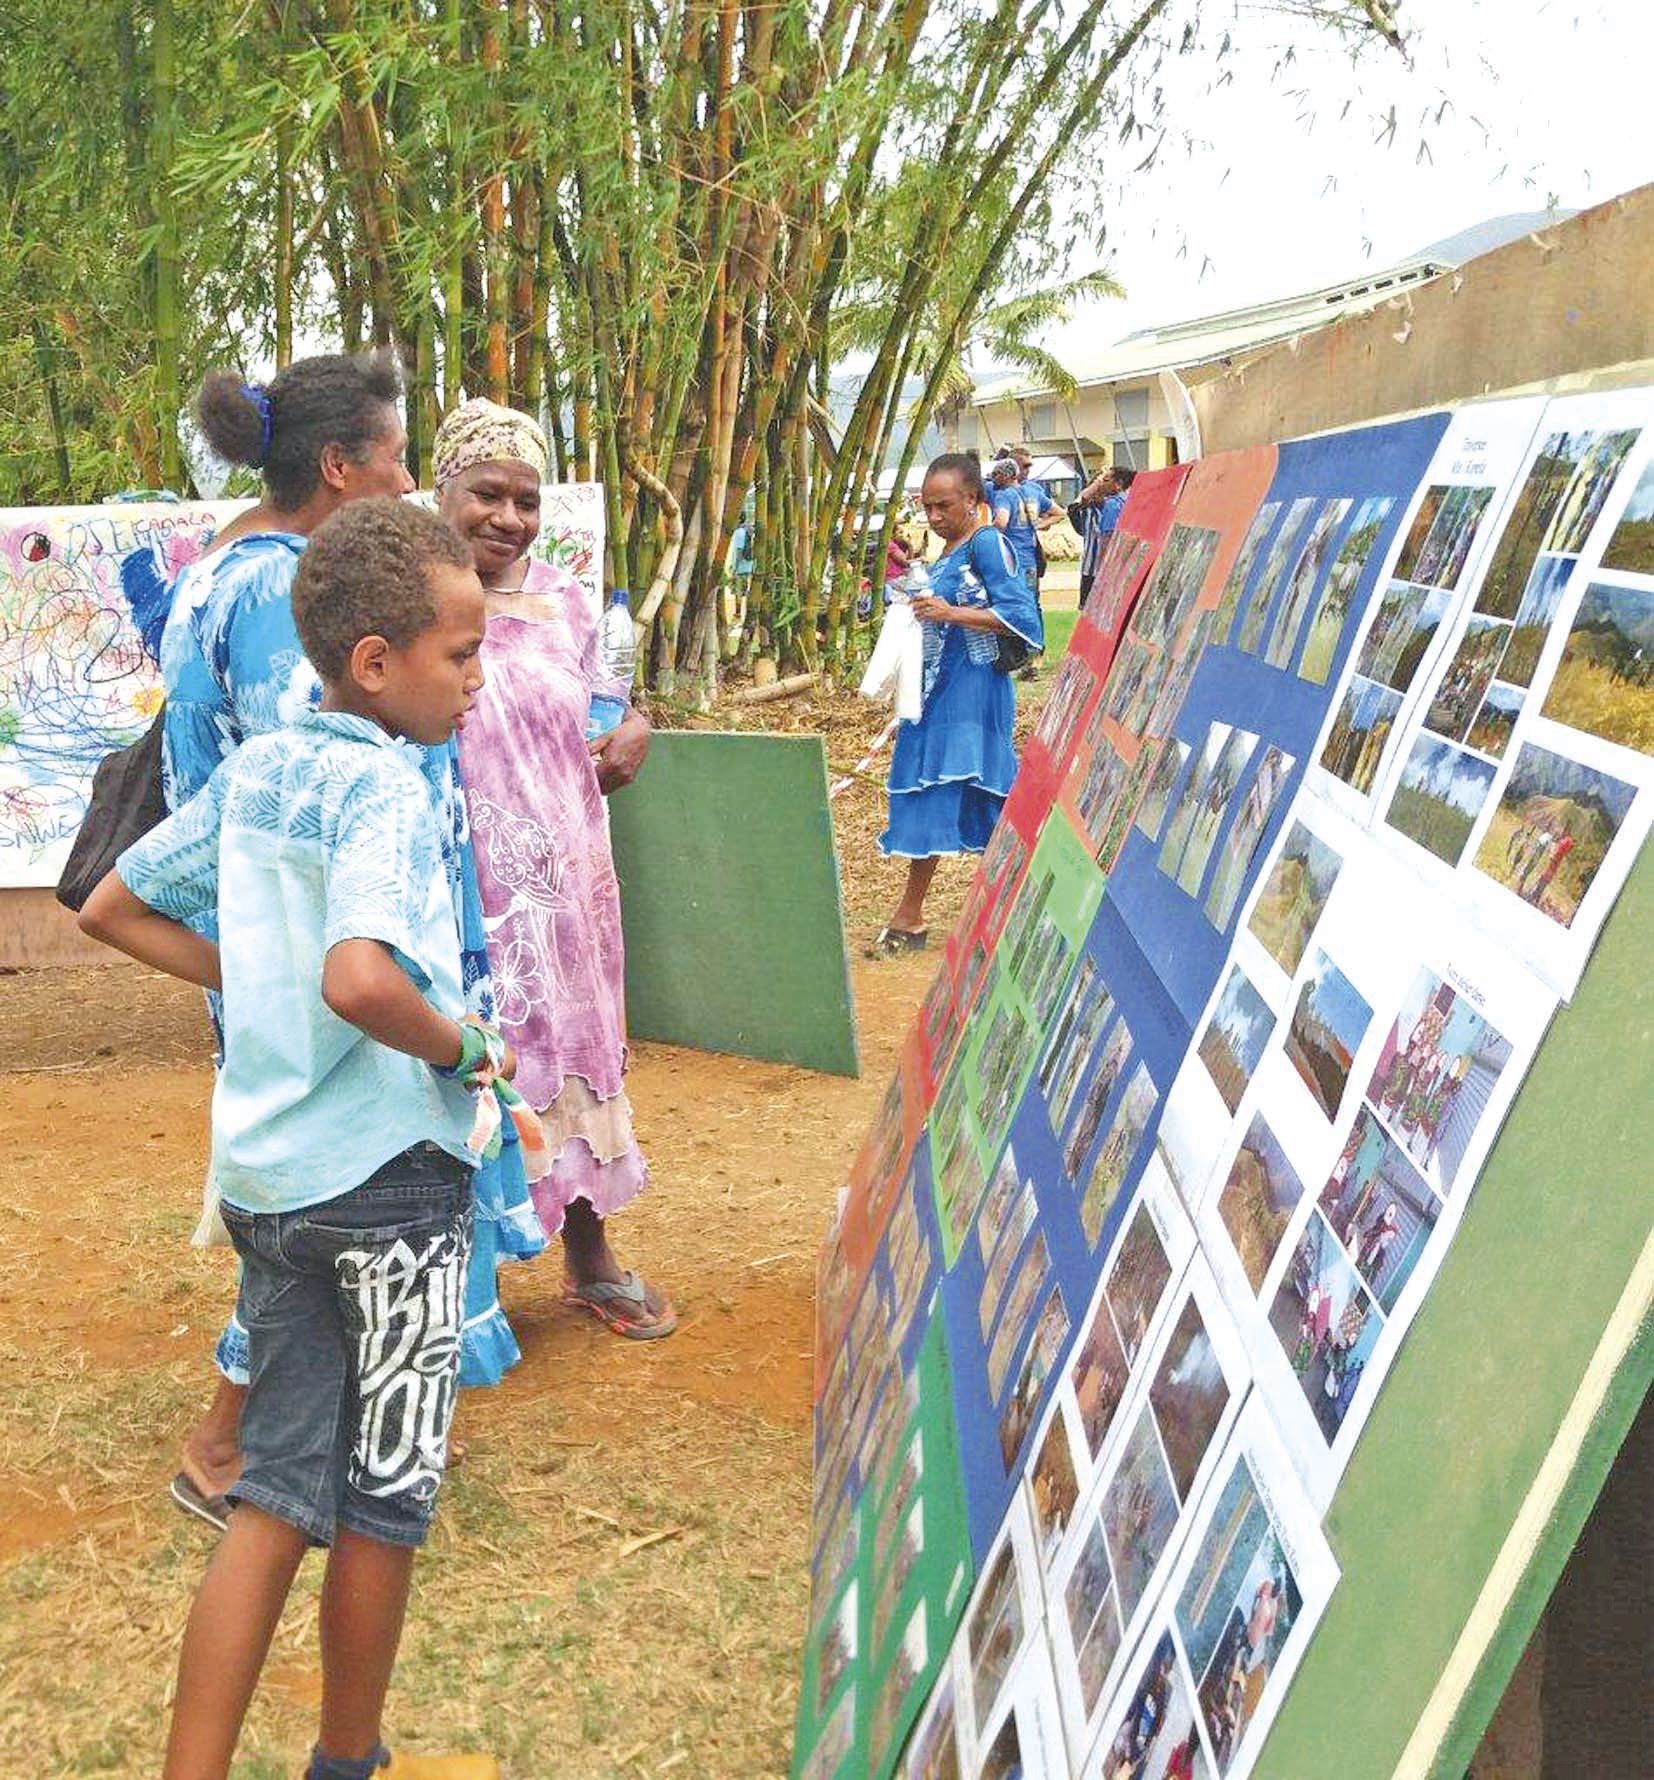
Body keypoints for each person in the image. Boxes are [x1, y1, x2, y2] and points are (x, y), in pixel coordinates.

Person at [80, 499, 497, 1780]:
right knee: (383, 1503)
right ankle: (347, 1757)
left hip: (272, 1188)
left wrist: (251, 972)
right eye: (462, 652)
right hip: (392, 1188)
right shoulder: (382, 783)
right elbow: (364, 980)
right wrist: (469, 1048)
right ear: (376, 662)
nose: (479, 679)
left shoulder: (264, 766)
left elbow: (110, 905)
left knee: (272, 1495)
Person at [163, 356, 537, 1530]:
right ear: (341, 467)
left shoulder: (218, 571)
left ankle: (274, 1457)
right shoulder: (292, 610)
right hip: (347, 982)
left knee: (288, 1222)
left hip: (290, 973)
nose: (412, 479)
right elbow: (322, 802)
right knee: (332, 1216)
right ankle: (269, 1454)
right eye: (395, 456)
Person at [433, 398, 676, 1338]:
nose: (507, 517)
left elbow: (607, 706)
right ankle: (464, 1285)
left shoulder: (570, 601)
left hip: (567, 876)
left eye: (526, 500)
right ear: (440, 489)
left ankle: (586, 1249)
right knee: (477, 1062)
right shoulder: (412, 596)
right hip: (462, 879)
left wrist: (637, 728)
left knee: (573, 1047)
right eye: (486, 493)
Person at [870, 453, 1042, 954]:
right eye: (927, 507)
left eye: (944, 505)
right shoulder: (944, 555)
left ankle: (986, 911)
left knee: (974, 791)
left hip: (973, 694)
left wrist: (951, 612)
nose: (935, 516)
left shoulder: (989, 544)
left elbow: (1024, 619)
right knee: (931, 791)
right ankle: (916, 912)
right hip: (934, 694)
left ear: (973, 500)